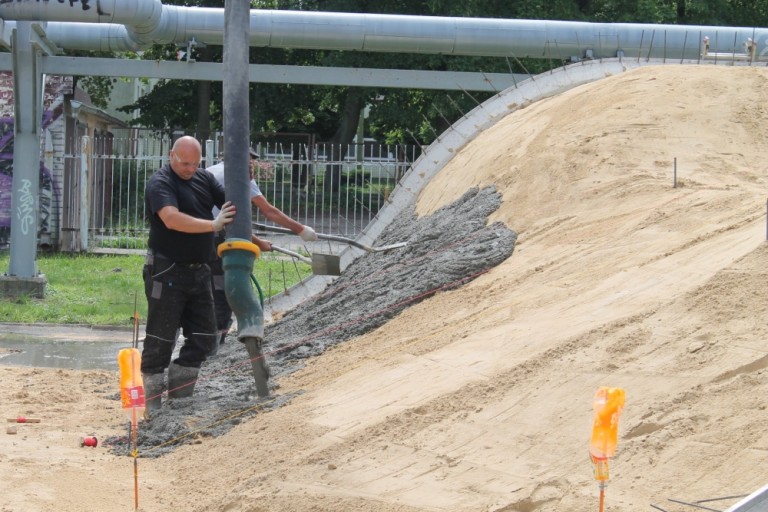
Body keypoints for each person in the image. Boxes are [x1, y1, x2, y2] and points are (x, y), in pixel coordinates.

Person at [140, 136, 269, 417]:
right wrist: (213, 225)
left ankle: (181, 394)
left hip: (199, 270)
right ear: (171, 155)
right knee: (161, 336)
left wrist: (254, 238)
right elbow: (171, 218)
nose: (189, 169)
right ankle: (152, 400)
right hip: (166, 268)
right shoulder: (161, 183)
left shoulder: (202, 179)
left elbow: (232, 211)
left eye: (195, 163)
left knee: (205, 336)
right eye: (184, 163)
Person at [204, 146, 318, 354]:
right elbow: (269, 211)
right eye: (249, 161)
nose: (252, 165)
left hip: (202, 233)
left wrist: (255, 240)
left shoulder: (210, 171)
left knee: (207, 287)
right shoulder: (238, 177)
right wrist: (301, 230)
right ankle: (214, 343)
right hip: (214, 237)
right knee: (225, 288)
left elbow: (231, 219)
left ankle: (204, 337)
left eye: (253, 161)